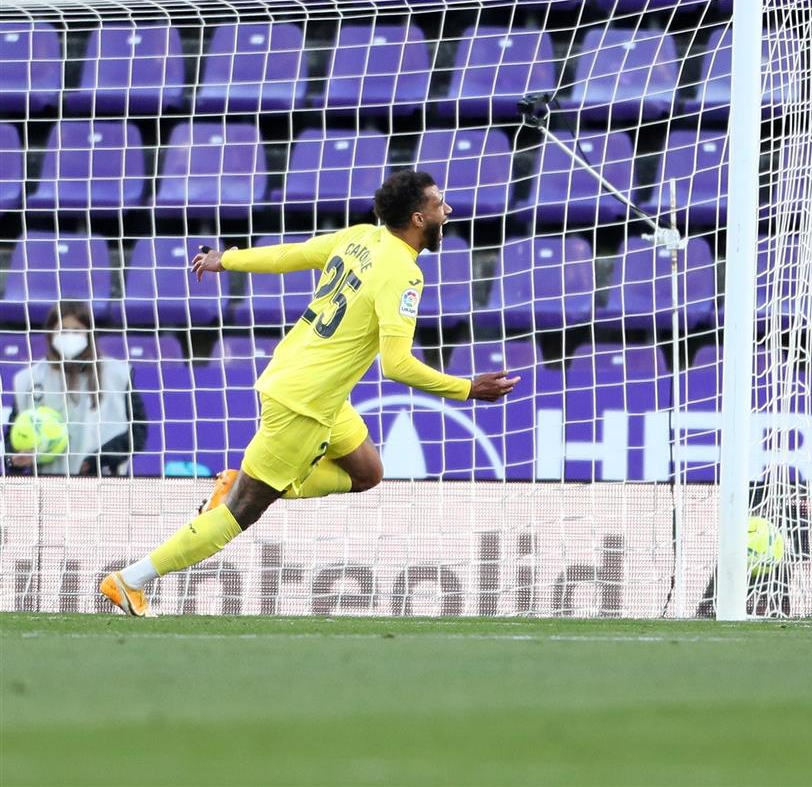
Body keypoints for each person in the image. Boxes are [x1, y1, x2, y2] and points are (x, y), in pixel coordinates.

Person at [101, 170, 519, 616]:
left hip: (307, 382)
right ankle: (130, 579)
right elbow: (396, 364)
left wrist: (229, 260)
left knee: (367, 472)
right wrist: (466, 389)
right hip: (304, 403)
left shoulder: (361, 236)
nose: (447, 210)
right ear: (419, 218)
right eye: (439, 204)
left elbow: (294, 254)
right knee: (242, 511)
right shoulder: (404, 275)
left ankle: (235, 483)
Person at [4, 302, 146, 476]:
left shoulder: (118, 373)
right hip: (48, 484)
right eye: (62, 330)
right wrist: (15, 459)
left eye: (76, 330)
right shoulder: (28, 379)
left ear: (89, 332)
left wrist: (100, 459)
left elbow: (138, 432)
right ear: (50, 334)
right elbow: (13, 434)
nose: (69, 336)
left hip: (105, 483)